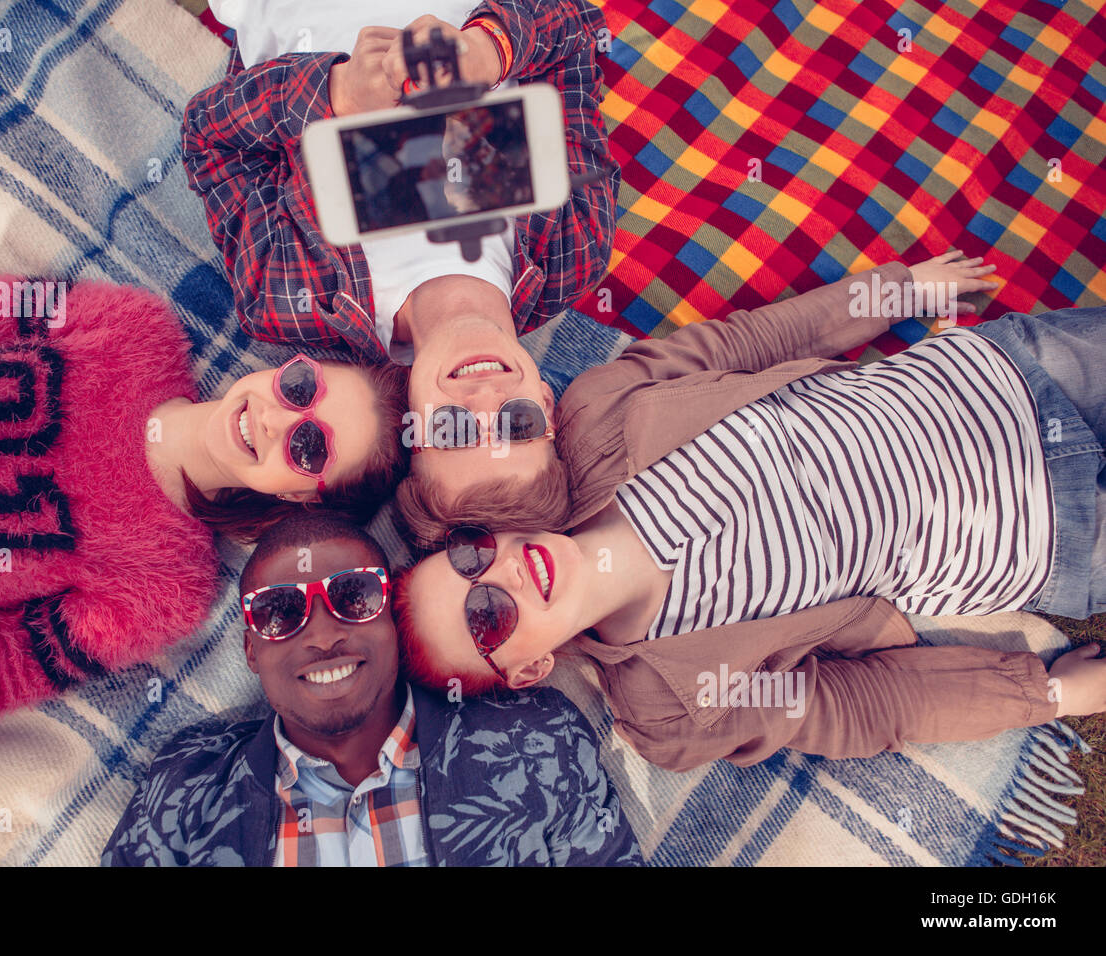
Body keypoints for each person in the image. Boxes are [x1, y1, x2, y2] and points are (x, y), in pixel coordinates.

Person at [391, 250, 1106, 772]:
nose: (503, 576)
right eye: (486, 616)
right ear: (527, 671)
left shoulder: (596, 415)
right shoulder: (672, 705)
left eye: (469, 556)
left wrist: (896, 291)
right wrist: (1044, 693)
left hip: (997, 376)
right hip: (1052, 533)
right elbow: (861, 705)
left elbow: (749, 341)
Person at [0, 274, 408, 720]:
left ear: (306, 499)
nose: (280, 418)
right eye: (301, 386)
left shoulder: (165, 590)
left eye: (308, 448)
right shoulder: (133, 324)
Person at [184, 0, 618, 530]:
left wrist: (331, 94)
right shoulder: (574, 248)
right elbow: (576, 35)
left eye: (453, 431)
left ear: (410, 426)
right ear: (547, 406)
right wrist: (489, 49)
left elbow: (208, 137)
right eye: (518, 424)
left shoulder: (288, 296)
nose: (484, 400)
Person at [101, 511, 642, 866]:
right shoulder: (185, 787)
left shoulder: (536, 739)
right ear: (249, 650)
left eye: (355, 596)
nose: (321, 634)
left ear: (393, 625)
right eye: (278, 612)